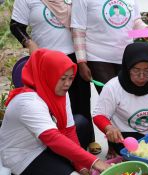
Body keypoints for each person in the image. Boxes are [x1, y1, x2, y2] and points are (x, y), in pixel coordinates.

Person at [0, 49, 110, 175]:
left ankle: (58, 170)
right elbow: (52, 138)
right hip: (22, 156)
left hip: (43, 146)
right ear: (48, 74)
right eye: (63, 78)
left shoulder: (59, 92)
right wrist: (94, 162)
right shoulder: (28, 101)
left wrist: (81, 165)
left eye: (71, 78)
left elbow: (69, 131)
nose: (67, 83)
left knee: (80, 124)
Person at [9, 0, 99, 154]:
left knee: (82, 99)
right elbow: (16, 25)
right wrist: (29, 43)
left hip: (76, 55)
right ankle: (57, 144)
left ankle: (88, 138)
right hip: (47, 60)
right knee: (51, 104)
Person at [92, 42, 148, 155]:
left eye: (147, 71)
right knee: (130, 153)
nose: (141, 76)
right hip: (126, 135)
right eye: (136, 70)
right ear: (127, 67)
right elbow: (99, 115)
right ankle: (114, 149)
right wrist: (108, 128)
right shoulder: (112, 87)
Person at [71, 0, 148, 94]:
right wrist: (81, 62)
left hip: (126, 58)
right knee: (110, 96)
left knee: (128, 97)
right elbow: (78, 29)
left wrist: (146, 30)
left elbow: (135, 21)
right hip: (98, 58)